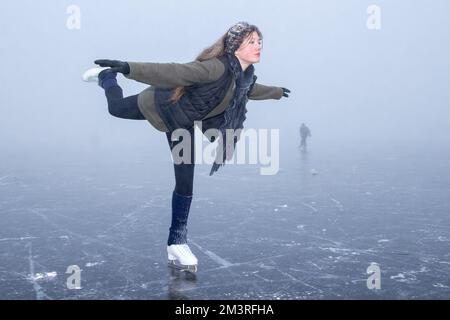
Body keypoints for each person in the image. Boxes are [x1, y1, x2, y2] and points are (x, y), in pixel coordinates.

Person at [82, 21, 290, 273]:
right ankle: (106, 78)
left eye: (260, 41)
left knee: (185, 180)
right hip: (161, 104)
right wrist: (128, 68)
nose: (258, 46)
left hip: (184, 124)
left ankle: (176, 242)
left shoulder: (242, 77)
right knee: (115, 108)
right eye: (252, 42)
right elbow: (174, 72)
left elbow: (250, 90)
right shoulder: (214, 68)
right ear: (236, 46)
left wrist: (276, 92)